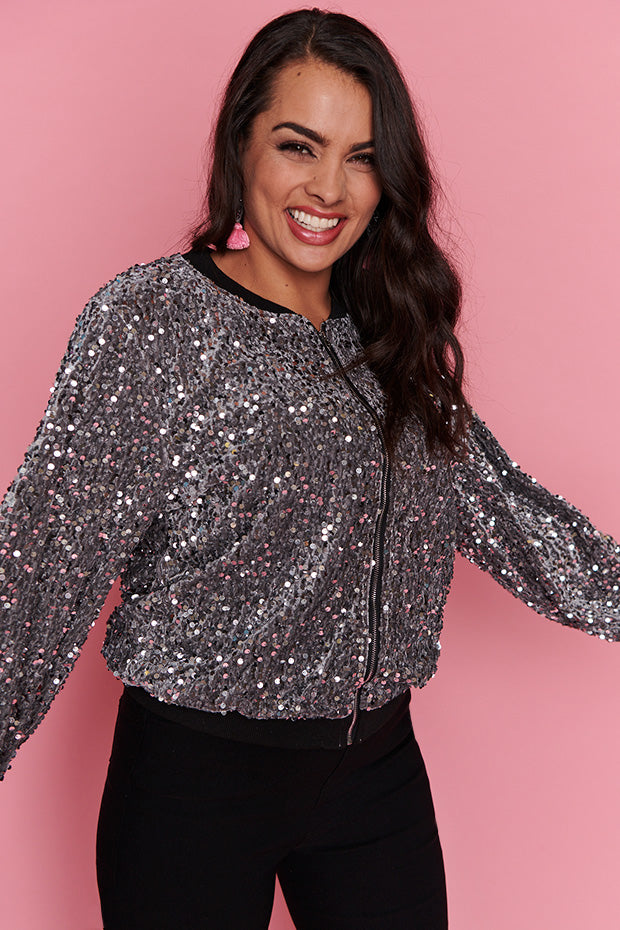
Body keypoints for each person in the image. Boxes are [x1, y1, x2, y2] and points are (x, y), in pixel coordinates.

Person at [0, 8, 618, 929]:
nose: (329, 187)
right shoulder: (154, 323)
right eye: (299, 146)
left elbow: (505, 512)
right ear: (240, 145)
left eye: (361, 157)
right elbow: (43, 565)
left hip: (375, 776)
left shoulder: (388, 333)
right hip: (194, 785)